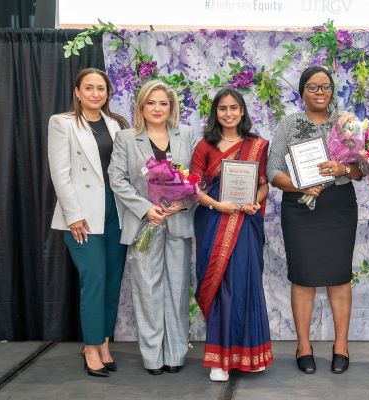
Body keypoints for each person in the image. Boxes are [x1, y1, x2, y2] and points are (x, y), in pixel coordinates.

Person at [267, 66, 363, 375]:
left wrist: (343, 170)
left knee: (339, 276)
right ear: (302, 91)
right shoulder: (289, 124)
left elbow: (361, 170)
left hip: (338, 207)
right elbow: (272, 172)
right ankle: (303, 345)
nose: (319, 92)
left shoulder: (346, 125)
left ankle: (341, 345)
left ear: (332, 91)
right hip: (299, 208)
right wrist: (301, 186)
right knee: (303, 276)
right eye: (312, 87)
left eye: (325, 87)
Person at [108, 80, 196, 375]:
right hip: (144, 224)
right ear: (141, 106)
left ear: (171, 107)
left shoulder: (186, 135)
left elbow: (199, 178)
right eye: (151, 103)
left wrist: (181, 203)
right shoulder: (126, 138)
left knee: (178, 290)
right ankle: (152, 358)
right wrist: (146, 209)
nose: (157, 108)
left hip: (178, 222)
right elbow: (117, 179)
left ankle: (175, 355)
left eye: (163, 103)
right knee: (147, 291)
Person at [48, 68, 129, 377]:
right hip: (82, 216)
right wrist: (73, 215)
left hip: (116, 212)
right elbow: (60, 172)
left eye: (101, 88)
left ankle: (105, 342)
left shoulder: (117, 124)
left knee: (111, 281)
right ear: (77, 92)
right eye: (90, 88)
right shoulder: (62, 123)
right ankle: (91, 346)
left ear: (108, 93)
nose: (96, 93)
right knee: (94, 280)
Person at [191, 88, 273, 382]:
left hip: (246, 222)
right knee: (222, 285)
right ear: (216, 113)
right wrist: (217, 204)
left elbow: (263, 184)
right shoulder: (205, 146)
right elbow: (194, 188)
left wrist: (255, 201)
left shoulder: (257, 145)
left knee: (246, 281)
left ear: (242, 111)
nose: (228, 113)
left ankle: (251, 353)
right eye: (223, 108)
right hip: (214, 220)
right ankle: (219, 360)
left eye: (234, 108)